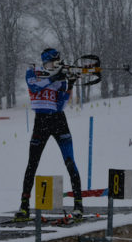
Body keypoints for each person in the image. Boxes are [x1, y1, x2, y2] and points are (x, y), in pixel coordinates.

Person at [14, 48, 83, 221]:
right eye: (53, 62)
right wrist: (53, 77)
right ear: (45, 62)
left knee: (70, 161)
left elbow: (60, 105)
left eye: (58, 62)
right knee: (32, 164)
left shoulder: (60, 79)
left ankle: (78, 205)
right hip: (41, 122)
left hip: (58, 121)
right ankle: (24, 207)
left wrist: (69, 85)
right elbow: (34, 87)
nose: (56, 65)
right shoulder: (34, 72)